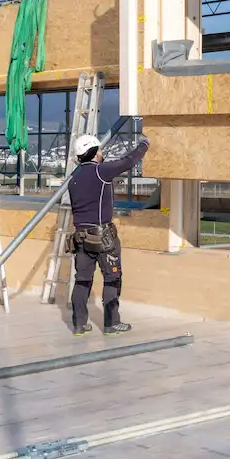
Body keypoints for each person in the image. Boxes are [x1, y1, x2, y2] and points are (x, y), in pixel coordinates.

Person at [66, 129, 150, 337]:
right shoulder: (100, 171)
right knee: (112, 278)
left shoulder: (73, 177)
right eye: (100, 150)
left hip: (81, 237)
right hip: (103, 237)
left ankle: (79, 324)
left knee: (82, 280)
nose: (102, 153)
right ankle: (111, 323)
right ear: (94, 153)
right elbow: (128, 161)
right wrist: (144, 144)